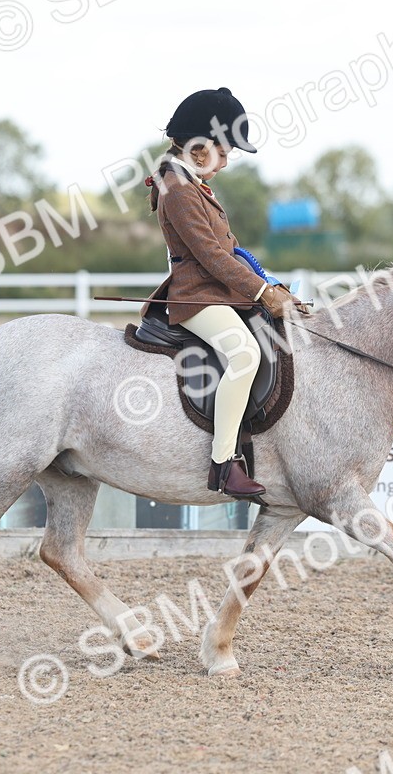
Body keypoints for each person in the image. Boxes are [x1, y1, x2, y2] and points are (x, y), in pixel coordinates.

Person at [142, 87, 306, 499]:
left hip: (217, 292)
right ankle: (224, 464)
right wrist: (262, 291)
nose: (228, 161)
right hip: (197, 297)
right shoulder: (177, 189)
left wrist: (273, 286)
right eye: (225, 151)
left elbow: (232, 251)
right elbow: (213, 256)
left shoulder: (191, 184)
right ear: (199, 148)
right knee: (245, 353)